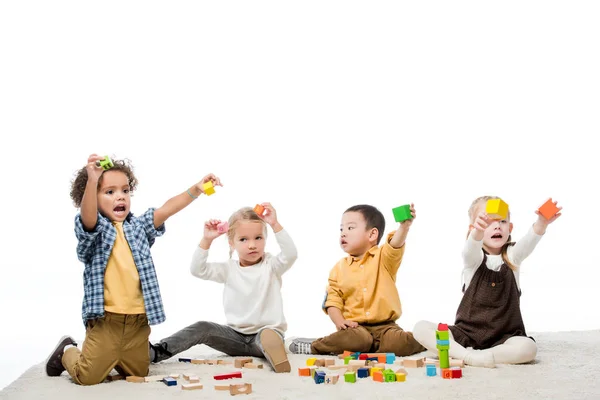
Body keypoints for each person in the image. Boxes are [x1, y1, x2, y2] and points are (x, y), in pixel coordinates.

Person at [45, 153, 222, 384]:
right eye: (109, 192)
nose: (120, 197)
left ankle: (114, 355)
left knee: (139, 374)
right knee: (87, 377)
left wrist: (196, 189)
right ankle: (68, 350)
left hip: (138, 321)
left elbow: (167, 209)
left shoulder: (139, 227)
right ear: (92, 198)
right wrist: (92, 179)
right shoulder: (95, 231)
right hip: (106, 321)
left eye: (125, 191)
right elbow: (88, 217)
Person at [412, 196, 562, 367]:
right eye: (488, 222)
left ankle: (473, 355)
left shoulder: (513, 256)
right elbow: (470, 248)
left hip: (505, 337)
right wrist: (477, 232)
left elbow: (529, 242)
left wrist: (542, 222)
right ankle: (469, 356)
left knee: (528, 348)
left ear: (510, 227)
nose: (497, 225)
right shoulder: (473, 260)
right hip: (466, 334)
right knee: (421, 327)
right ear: (473, 228)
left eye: (503, 221)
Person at [150, 203, 297, 373]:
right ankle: (156, 352)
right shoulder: (228, 269)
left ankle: (277, 358)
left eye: (258, 238)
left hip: (264, 335)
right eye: (243, 239)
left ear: (265, 238)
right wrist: (207, 240)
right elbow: (198, 270)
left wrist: (274, 224)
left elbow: (291, 254)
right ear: (231, 242)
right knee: (202, 327)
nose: (252, 245)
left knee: (267, 336)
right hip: (235, 337)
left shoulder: (271, 266)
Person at [286, 204, 425, 357]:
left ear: (372, 235)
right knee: (357, 340)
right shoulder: (339, 268)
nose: (343, 233)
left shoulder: (384, 258)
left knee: (398, 343)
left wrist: (404, 227)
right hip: (355, 328)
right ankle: (315, 346)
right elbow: (332, 301)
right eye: (341, 229)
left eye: (350, 228)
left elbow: (395, 245)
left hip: (386, 328)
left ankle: (431, 340)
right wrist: (340, 322)